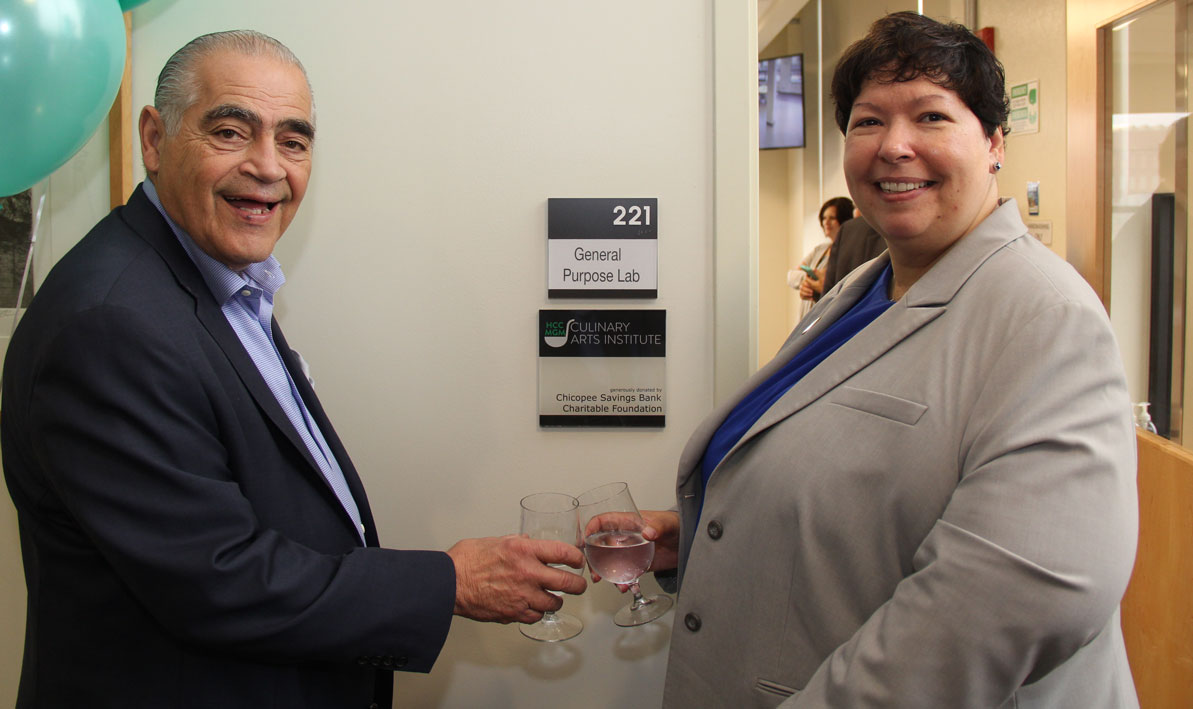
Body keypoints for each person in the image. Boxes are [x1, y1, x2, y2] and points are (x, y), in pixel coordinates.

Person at [1, 31, 585, 709]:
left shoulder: (213, 281)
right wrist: (446, 582)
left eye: (294, 141)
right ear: (154, 139)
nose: (268, 167)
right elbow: (217, 578)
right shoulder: (112, 324)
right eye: (230, 131)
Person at [644, 12, 1139, 708]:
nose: (893, 147)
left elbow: (1012, 599)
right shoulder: (862, 287)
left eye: (931, 117)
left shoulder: (1044, 318)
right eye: (868, 121)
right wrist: (705, 532)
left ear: (994, 142)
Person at [788, 196, 854, 317]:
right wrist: (808, 283)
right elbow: (791, 276)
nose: (826, 222)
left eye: (832, 218)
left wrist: (822, 284)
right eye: (824, 218)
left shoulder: (850, 251)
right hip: (808, 313)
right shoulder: (820, 250)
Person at [820, 210, 885, 294]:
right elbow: (830, 294)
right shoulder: (848, 231)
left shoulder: (849, 230)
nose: (856, 211)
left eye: (832, 218)